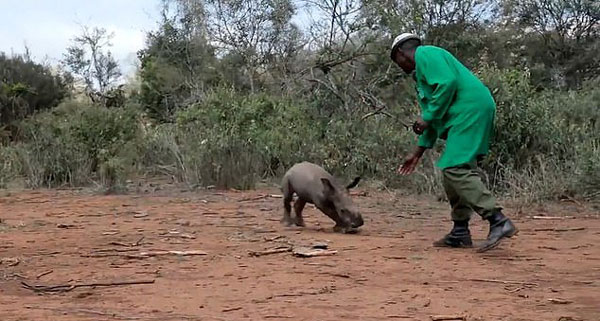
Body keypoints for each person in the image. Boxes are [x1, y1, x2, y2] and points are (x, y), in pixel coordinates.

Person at [390, 33, 517, 252]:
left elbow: (447, 84)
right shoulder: (422, 74)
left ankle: (498, 220)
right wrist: (417, 152)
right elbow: (434, 115)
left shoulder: (425, 54)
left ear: (400, 53)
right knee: (452, 172)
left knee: (454, 168)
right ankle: (460, 231)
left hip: (469, 110)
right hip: (467, 113)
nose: (399, 66)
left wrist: (427, 117)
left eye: (396, 61)